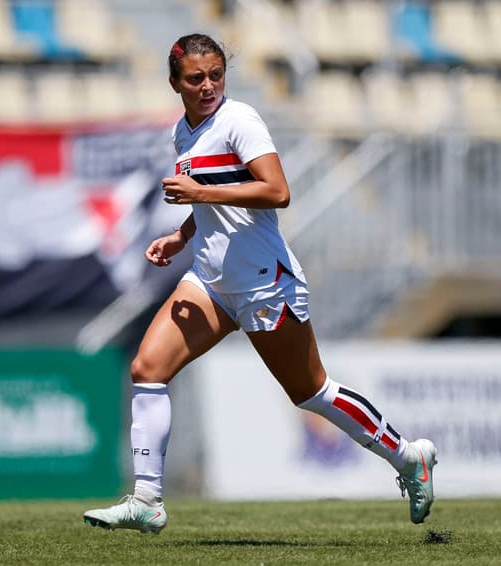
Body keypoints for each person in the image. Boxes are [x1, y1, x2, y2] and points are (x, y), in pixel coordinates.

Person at [83, 34, 437, 535]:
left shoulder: (240, 120)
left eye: (215, 75)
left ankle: (407, 456)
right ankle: (147, 500)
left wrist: (199, 192)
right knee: (147, 368)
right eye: (195, 78)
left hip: (263, 283)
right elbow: (214, 206)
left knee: (311, 391)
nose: (207, 86)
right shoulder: (182, 133)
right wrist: (182, 235)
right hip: (209, 280)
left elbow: (277, 191)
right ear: (174, 83)